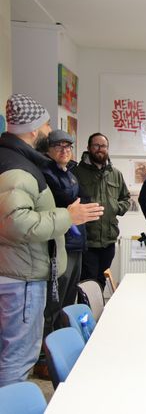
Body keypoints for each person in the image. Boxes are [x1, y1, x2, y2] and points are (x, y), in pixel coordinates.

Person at [0, 94, 102, 386]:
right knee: (18, 358)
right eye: (46, 125)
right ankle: (13, 402)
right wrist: (68, 216)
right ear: (33, 130)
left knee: (15, 354)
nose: (48, 130)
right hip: (21, 275)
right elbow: (17, 223)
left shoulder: (18, 160)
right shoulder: (17, 168)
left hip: (19, 270)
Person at [39, 130, 88, 335]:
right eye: (58, 146)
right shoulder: (45, 173)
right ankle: (50, 345)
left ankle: (65, 338)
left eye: (68, 146)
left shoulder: (69, 172)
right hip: (60, 244)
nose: (64, 150)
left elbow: (82, 199)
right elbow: (65, 198)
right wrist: (74, 205)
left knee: (69, 298)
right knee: (55, 301)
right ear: (48, 150)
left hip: (76, 242)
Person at [73, 133, 130, 287]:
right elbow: (69, 200)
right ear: (88, 148)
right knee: (88, 281)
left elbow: (126, 198)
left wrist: (116, 207)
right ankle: (89, 304)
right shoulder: (77, 173)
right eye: (96, 145)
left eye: (103, 146)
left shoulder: (115, 174)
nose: (100, 149)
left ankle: (98, 303)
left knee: (101, 279)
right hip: (87, 239)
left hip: (109, 239)